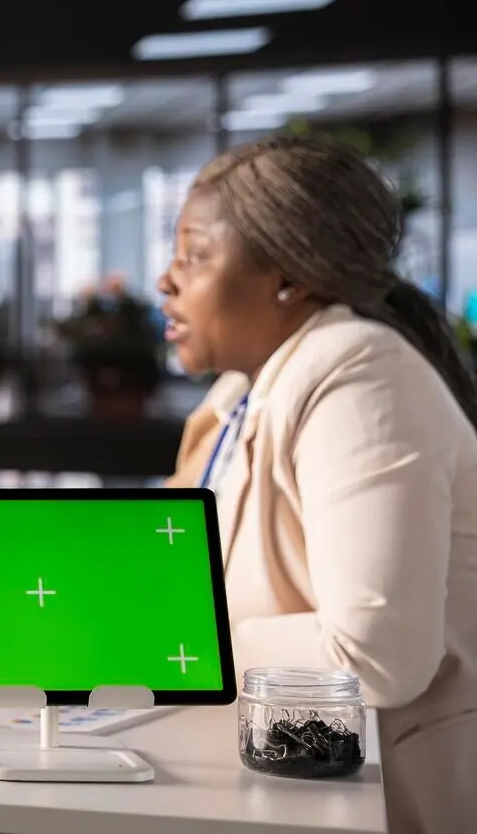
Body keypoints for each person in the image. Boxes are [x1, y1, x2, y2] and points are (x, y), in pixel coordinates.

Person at [159, 137, 477, 834]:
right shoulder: (243, 391)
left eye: (194, 254)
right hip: (281, 782)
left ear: (289, 277)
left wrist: (169, 644)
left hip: (386, 799)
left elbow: (374, 655)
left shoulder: (361, 376)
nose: (166, 280)